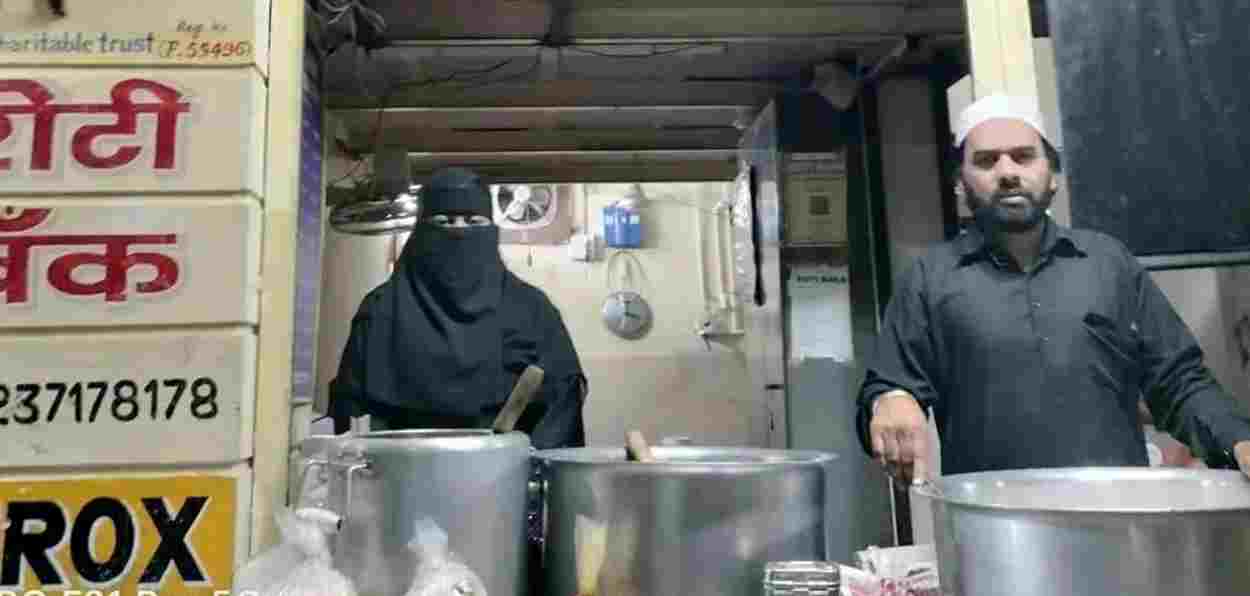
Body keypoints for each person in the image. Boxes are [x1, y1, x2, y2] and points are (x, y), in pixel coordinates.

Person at [856, 93, 1250, 482]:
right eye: (986, 160)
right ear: (960, 184)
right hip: (993, 529)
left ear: (1054, 177)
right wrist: (890, 401)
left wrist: (1238, 440)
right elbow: (889, 386)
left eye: (1023, 156)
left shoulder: (1108, 264)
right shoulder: (929, 279)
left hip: (1119, 519)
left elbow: (1179, 382)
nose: (1007, 171)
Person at [328, 167, 588, 449]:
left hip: (506, 482)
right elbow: (350, 412)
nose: (460, 232)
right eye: (446, 222)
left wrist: (525, 467)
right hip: (400, 479)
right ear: (420, 234)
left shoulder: (532, 311)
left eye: (473, 222)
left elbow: (562, 403)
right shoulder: (380, 312)